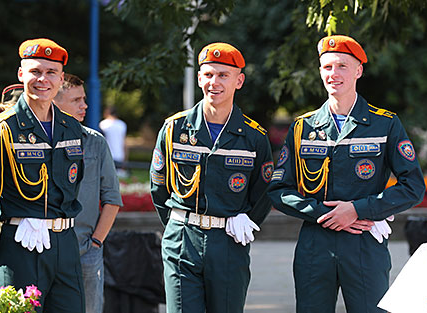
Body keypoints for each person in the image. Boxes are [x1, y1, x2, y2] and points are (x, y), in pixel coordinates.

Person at [267, 35, 426, 313]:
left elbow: (412, 186)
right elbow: (279, 190)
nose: (333, 74)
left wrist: (359, 209)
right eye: (327, 67)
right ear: (320, 72)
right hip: (316, 243)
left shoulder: (384, 123)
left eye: (342, 66)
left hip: (364, 242)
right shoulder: (303, 128)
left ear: (358, 70)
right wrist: (323, 213)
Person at [150, 42, 274, 313]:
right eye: (208, 75)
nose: (213, 82)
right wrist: (179, 224)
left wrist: (248, 220)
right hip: (182, 240)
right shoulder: (175, 129)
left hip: (228, 240)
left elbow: (264, 190)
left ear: (239, 81)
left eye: (223, 75)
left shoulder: (254, 136)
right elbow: (159, 187)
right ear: (198, 78)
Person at [0, 38, 85, 313]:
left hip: (65, 247)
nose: (43, 79)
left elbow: (74, 185)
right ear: (21, 75)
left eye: (51, 72)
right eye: (35, 71)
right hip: (19, 245)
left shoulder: (71, 128)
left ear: (61, 78)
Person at [54, 73, 122, 313]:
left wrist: (95, 243)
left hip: (86, 251)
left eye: (83, 98)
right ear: (54, 101)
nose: (85, 105)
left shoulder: (95, 142)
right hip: (45, 251)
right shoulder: (39, 141)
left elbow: (112, 199)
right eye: (76, 100)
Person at [99, 106, 128, 177]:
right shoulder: (122, 124)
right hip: (119, 155)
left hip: (107, 155)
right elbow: (124, 143)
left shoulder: (103, 124)